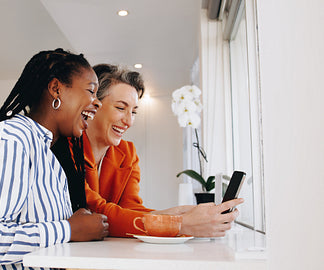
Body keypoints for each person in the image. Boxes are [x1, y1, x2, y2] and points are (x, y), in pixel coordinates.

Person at [0, 49, 109, 270]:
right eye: (91, 91)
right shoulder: (10, 141)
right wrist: (68, 229)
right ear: (56, 89)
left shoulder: (46, 155)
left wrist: (74, 223)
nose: (98, 103)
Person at [53, 63, 243, 238]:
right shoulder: (66, 149)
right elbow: (97, 211)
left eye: (134, 112)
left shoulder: (127, 153)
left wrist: (182, 214)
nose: (129, 121)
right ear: (94, 105)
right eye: (121, 108)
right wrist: (179, 224)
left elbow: (131, 209)